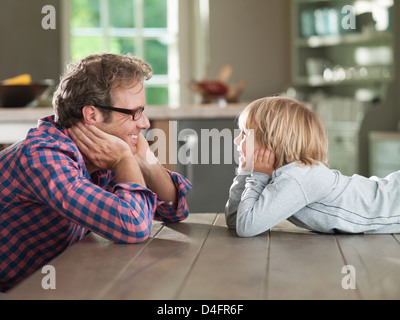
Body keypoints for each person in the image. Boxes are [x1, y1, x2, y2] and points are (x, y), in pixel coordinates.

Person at [0, 53, 191, 292]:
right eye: (134, 113)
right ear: (92, 115)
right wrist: (124, 160)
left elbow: (174, 209)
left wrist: (145, 161)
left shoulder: (99, 155)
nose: (144, 124)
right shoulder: (44, 158)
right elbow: (134, 226)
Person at [225, 96, 400, 237]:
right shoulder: (279, 174)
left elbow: (247, 226)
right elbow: (235, 220)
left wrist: (256, 176)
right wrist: (246, 173)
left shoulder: (298, 176)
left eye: (245, 134)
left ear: (271, 140)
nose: (237, 140)